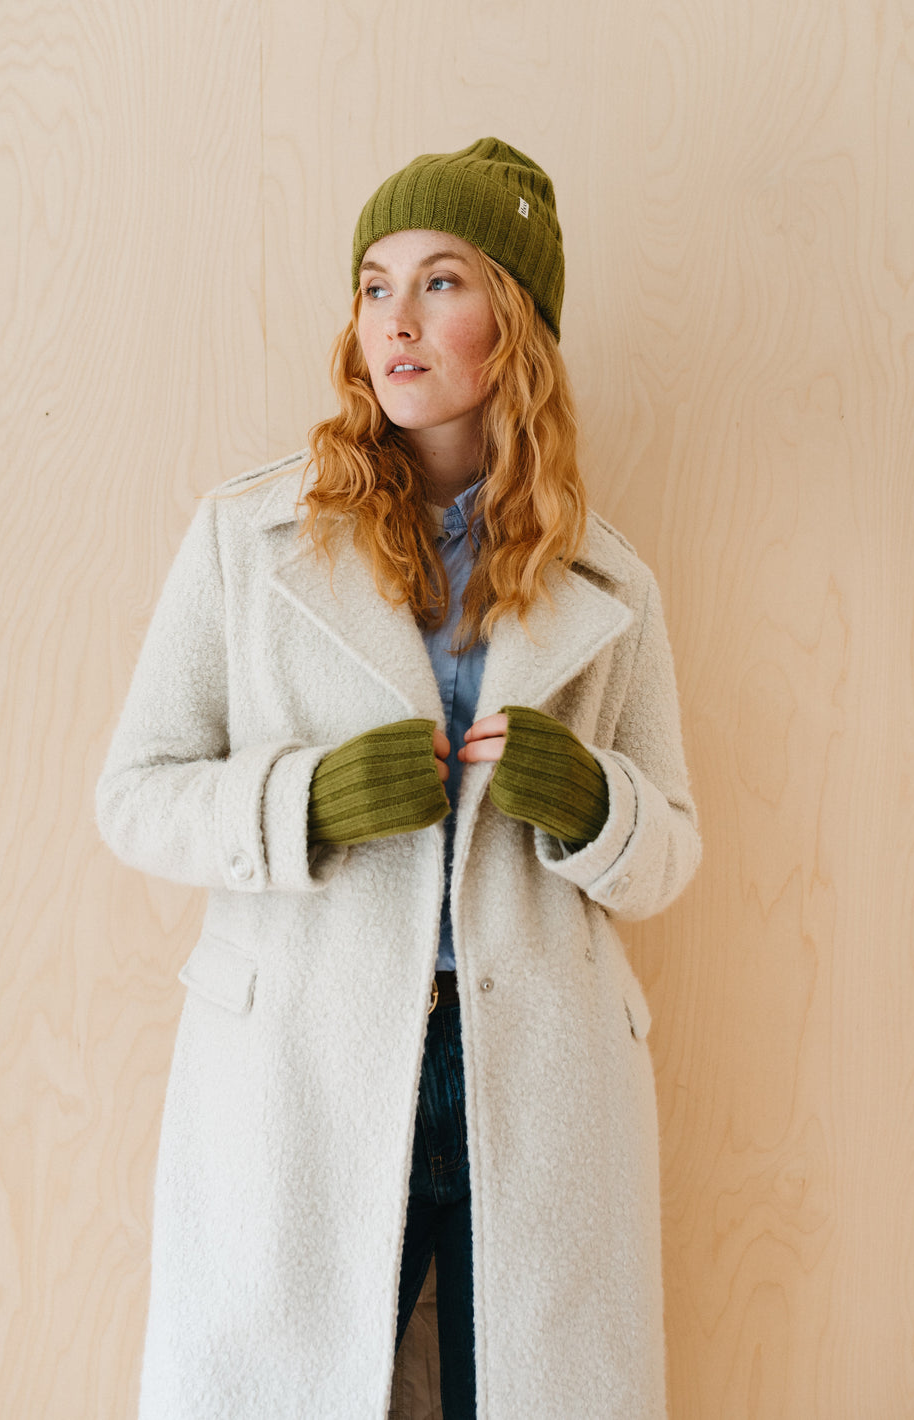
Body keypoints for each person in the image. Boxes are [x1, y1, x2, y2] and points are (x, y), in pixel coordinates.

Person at [96, 137, 701, 1420]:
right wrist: (301, 801)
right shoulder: (245, 536)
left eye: (440, 282)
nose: (395, 321)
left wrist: (590, 802)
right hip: (302, 1072)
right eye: (374, 284)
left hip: (531, 1071)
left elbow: (670, 853)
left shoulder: (613, 584)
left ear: (514, 325)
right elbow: (137, 789)